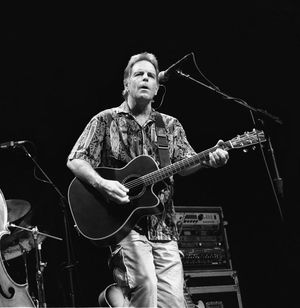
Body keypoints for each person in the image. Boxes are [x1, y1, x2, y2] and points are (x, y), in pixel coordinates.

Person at [67, 51, 229, 307]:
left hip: (164, 226)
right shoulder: (105, 119)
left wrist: (207, 161)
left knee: (174, 301)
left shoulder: (170, 125)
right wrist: (104, 184)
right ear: (126, 84)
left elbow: (185, 165)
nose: (145, 78)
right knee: (145, 284)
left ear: (157, 88)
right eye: (138, 74)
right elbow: (76, 159)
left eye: (151, 75)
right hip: (124, 224)